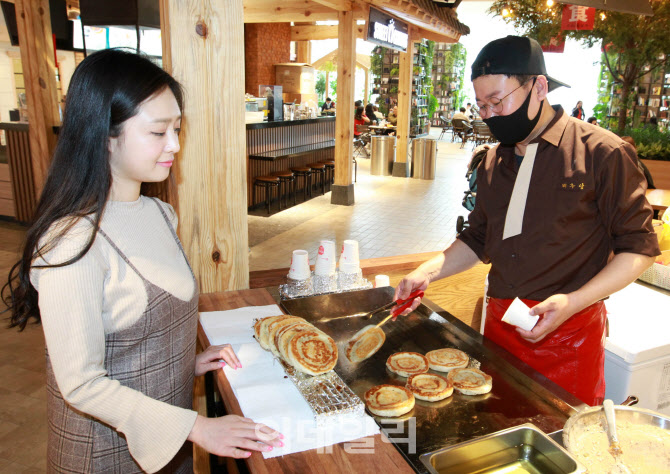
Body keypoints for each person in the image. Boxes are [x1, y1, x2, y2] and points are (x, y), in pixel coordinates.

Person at [1, 49, 282, 472]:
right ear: (104, 136)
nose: (175, 144)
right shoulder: (70, 242)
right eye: (158, 132)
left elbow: (135, 333)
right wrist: (199, 429)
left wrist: (184, 361)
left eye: (177, 128)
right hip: (104, 455)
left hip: (169, 440)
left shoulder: (159, 214)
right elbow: (80, 384)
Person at [393, 35, 659, 407]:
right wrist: (427, 272)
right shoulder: (491, 162)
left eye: (498, 101)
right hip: (502, 324)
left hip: (569, 332)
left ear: (539, 87)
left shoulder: (602, 153)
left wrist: (572, 301)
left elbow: (640, 248)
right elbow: (478, 238)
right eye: (481, 105)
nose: (489, 115)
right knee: (496, 424)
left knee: (562, 440)